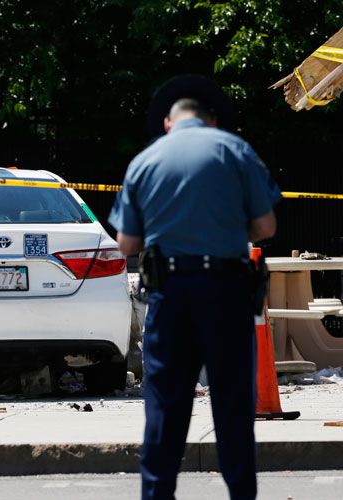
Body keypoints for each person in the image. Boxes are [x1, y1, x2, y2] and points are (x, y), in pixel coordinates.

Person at [108, 74, 281, 500]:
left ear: (169, 122)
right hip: (226, 291)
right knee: (233, 405)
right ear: (212, 120)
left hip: (171, 293)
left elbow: (126, 243)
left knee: (166, 407)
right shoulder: (236, 151)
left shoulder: (145, 161)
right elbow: (265, 226)